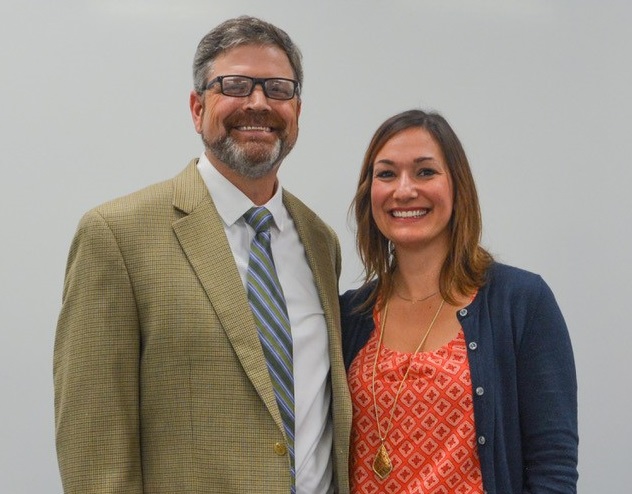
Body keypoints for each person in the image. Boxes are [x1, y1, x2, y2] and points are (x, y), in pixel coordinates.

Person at [54, 15, 351, 494]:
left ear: (296, 110)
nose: (258, 102)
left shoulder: (320, 241)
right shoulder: (117, 235)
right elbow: (94, 447)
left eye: (278, 88)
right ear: (197, 108)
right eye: (235, 85)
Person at [340, 109, 578, 493]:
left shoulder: (521, 303)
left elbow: (553, 464)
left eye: (425, 172)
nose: (404, 190)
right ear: (370, 193)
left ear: (457, 186)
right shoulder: (347, 316)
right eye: (386, 174)